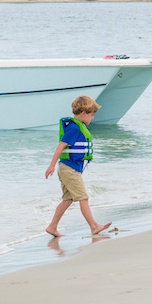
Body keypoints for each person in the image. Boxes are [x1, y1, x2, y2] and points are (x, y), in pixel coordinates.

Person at [44, 95, 112, 237]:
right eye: (91, 115)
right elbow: (61, 146)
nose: (92, 118)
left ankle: (52, 227)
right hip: (69, 169)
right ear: (83, 113)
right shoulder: (74, 129)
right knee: (83, 198)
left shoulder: (77, 126)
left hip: (67, 168)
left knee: (68, 199)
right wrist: (51, 165)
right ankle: (94, 226)